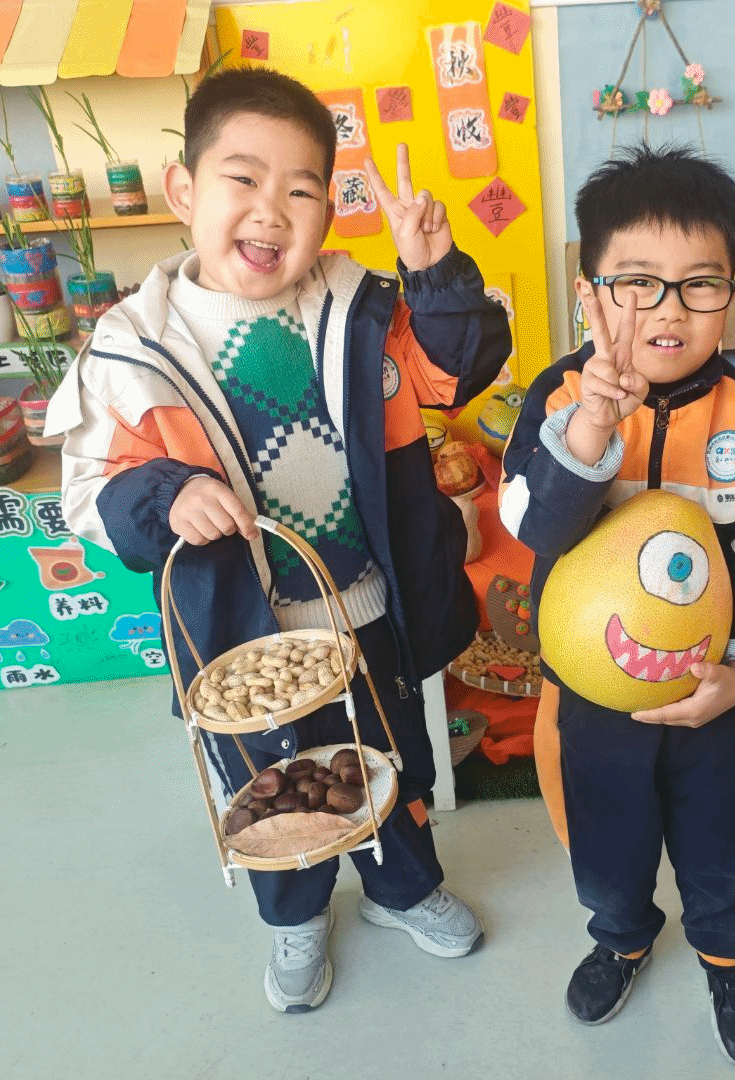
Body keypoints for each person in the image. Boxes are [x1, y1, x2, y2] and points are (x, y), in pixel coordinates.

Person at [49, 68, 511, 1013]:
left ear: (328, 212)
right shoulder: (133, 351)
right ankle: (295, 917)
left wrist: (433, 274)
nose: (271, 210)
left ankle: (400, 889)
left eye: (301, 189)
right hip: (239, 636)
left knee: (388, 761)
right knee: (270, 785)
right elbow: (91, 495)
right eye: (243, 179)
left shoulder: (364, 310)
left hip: (366, 609)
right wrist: (168, 493)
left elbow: (457, 373)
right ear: (184, 190)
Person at [500, 146, 735, 1068]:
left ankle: (727, 957)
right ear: (590, 293)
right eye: (638, 283)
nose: (670, 311)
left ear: (732, 291)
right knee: (607, 842)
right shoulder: (563, 396)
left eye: (700, 284)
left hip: (713, 691)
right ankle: (621, 938)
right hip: (595, 696)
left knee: (727, 842)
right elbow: (532, 523)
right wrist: (591, 429)